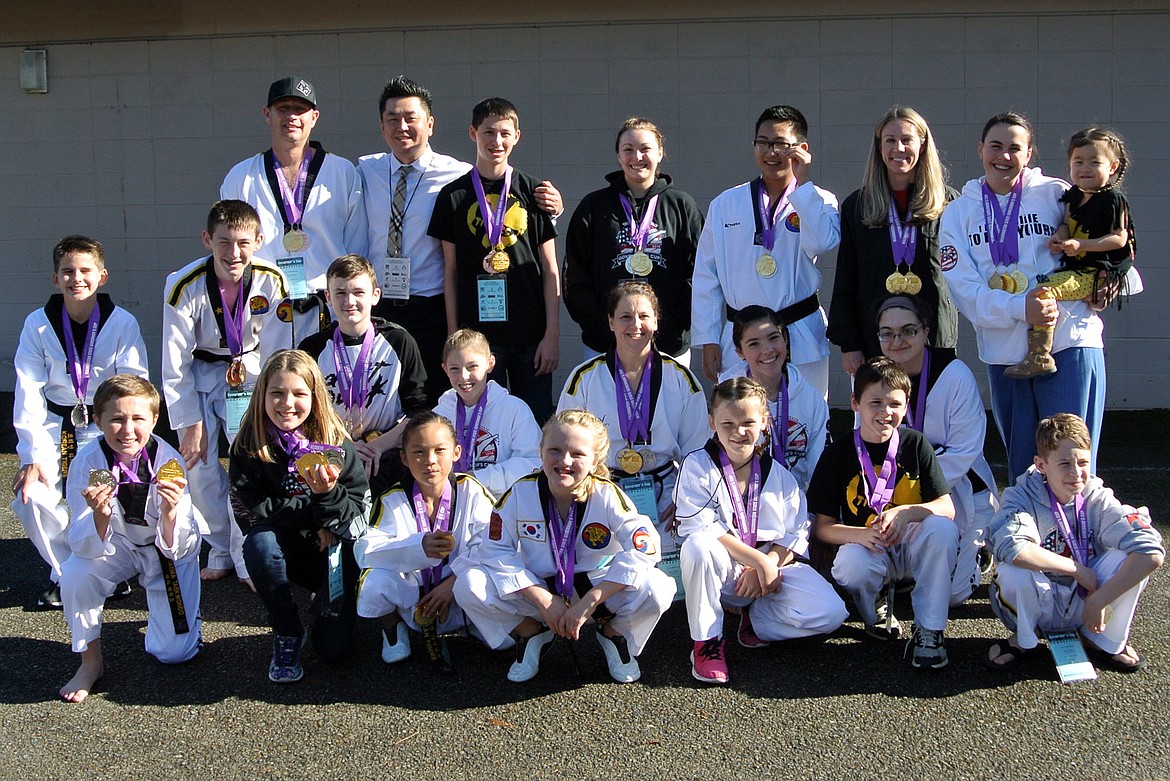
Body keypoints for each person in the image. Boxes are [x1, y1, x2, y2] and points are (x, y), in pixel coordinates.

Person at [359, 76, 563, 405]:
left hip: (450, 311)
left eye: (411, 118)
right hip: (390, 306)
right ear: (382, 126)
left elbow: (547, 259)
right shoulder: (364, 171)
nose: (402, 126)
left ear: (430, 124)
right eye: (393, 119)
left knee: (525, 411)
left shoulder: (457, 175)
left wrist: (555, 209)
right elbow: (452, 266)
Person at [939, 112, 1105, 482]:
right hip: (1005, 352)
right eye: (995, 146)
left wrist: (1109, 282)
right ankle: (1025, 538)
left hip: (1067, 341)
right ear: (981, 149)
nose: (1004, 156)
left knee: (1072, 463)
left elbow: (1108, 234)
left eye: (1015, 148)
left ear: (1029, 153)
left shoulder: (1058, 193)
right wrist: (1020, 307)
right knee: (1023, 465)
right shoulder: (959, 213)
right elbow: (964, 291)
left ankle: (1075, 538)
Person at [453, 409, 676, 683]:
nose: (564, 461)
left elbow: (645, 548)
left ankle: (614, 634)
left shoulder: (608, 495)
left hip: (597, 595)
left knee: (659, 587)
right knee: (468, 584)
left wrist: (592, 600)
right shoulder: (520, 492)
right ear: (541, 451)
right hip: (539, 592)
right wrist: (542, 599)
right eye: (555, 450)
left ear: (595, 461)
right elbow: (494, 550)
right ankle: (530, 632)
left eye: (578, 454)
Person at [676, 378, 847, 684]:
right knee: (698, 546)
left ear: (765, 421)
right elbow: (701, 527)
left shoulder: (780, 476)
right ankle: (706, 644)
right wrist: (759, 561)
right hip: (726, 571)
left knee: (831, 612)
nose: (738, 432)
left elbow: (795, 534)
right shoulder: (697, 466)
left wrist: (768, 564)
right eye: (727, 423)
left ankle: (756, 619)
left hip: (768, 573)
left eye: (748, 422)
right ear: (712, 422)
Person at [12, 235, 148, 608]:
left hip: (106, 426)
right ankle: (66, 571)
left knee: (97, 497)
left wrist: (125, 438)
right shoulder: (36, 325)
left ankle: (108, 571)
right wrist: (32, 456)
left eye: (85, 271)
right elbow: (27, 390)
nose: (77, 279)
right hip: (55, 423)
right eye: (68, 271)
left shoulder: (122, 323)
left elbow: (135, 384)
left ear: (102, 276)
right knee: (30, 497)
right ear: (55, 279)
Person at [163, 200, 290, 586]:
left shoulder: (271, 279)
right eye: (223, 242)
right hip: (201, 373)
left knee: (247, 465)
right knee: (198, 467)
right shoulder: (182, 284)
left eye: (242, 243)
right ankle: (218, 546)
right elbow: (174, 360)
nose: (233, 253)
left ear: (259, 240)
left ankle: (243, 552)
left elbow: (278, 348)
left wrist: (275, 402)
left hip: (250, 376)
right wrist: (189, 422)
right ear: (207, 240)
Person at [229, 350, 371, 683]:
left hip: (335, 554)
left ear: (314, 396)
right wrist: (318, 515)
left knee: (333, 652)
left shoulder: (336, 443)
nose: (287, 403)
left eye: (298, 393)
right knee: (259, 544)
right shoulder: (248, 446)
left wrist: (328, 500)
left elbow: (359, 516)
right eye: (277, 393)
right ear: (262, 394)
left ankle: (328, 601)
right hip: (288, 547)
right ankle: (288, 630)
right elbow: (251, 512)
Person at [59, 375, 202, 703]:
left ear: (154, 419)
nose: (127, 430)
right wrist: (100, 515)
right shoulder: (88, 462)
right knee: (75, 574)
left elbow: (186, 544)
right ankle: (90, 662)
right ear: (97, 420)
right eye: (116, 419)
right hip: (116, 544)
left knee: (174, 652)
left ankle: (163, 620)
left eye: (138, 418)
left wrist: (169, 513)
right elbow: (79, 542)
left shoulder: (168, 461)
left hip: (164, 550)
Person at [808, 358, 957, 669]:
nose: (885, 412)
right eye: (875, 402)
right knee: (850, 564)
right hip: (869, 545)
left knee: (943, 530)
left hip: (909, 542)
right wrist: (862, 535)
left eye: (894, 403)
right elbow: (822, 527)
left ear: (906, 405)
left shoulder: (915, 443)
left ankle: (929, 629)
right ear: (855, 403)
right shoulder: (838, 453)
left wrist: (905, 512)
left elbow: (947, 508)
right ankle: (872, 606)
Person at [985, 413, 1163, 673]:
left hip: (1087, 601)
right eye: (1065, 463)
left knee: (1128, 557)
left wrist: (1099, 600)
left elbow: (1152, 552)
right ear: (1041, 464)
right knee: (1012, 572)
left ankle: (1102, 639)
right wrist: (1077, 569)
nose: (1076, 473)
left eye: (1083, 462)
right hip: (1043, 597)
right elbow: (1015, 549)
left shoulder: (1097, 497)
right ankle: (1024, 639)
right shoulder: (1021, 495)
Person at [692, 104, 839, 398]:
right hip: (741, 335)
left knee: (806, 420)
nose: (770, 153)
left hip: (799, 330)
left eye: (781, 144)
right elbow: (707, 274)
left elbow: (823, 243)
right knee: (740, 423)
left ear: (801, 149)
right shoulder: (726, 204)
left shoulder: (819, 199)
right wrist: (708, 338)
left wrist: (803, 186)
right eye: (763, 143)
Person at [428, 97, 560, 421]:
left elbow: (550, 268)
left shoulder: (535, 191)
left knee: (537, 420)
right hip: (478, 340)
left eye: (504, 133)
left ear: (517, 136)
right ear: (473, 134)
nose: (496, 142)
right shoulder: (453, 196)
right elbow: (450, 271)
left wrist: (552, 335)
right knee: (485, 424)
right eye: (488, 132)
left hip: (531, 335)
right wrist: (453, 335)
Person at [557, 281, 708, 555]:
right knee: (604, 567)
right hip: (604, 491)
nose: (635, 324)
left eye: (644, 316)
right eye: (625, 316)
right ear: (610, 322)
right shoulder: (584, 378)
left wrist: (686, 499)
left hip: (665, 495)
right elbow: (564, 443)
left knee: (678, 561)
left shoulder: (681, 378)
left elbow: (697, 450)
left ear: (656, 322)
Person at [221, 76, 366, 341]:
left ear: (314, 116)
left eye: (300, 109)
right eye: (283, 108)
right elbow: (230, 252)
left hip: (327, 308)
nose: (292, 116)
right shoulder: (241, 177)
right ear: (267, 114)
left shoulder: (342, 173)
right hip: (265, 308)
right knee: (271, 382)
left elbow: (357, 250)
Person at [875, 294, 998, 604]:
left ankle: (978, 546)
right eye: (887, 333)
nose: (897, 340)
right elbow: (866, 445)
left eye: (908, 330)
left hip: (960, 492)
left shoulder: (955, 375)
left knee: (953, 594)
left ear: (926, 332)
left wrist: (909, 487)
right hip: (895, 492)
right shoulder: (872, 379)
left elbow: (963, 451)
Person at [354, 412, 494, 669]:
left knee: (500, 633)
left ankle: (475, 623)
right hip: (412, 598)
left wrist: (453, 583)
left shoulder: (472, 491)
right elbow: (366, 551)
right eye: (418, 452)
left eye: (440, 450)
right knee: (372, 581)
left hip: (458, 595)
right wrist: (417, 548)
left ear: (456, 452)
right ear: (404, 458)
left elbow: (491, 546)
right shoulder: (392, 499)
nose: (430, 461)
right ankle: (393, 628)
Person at [828, 106, 958, 373]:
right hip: (875, 339)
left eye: (907, 139)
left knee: (931, 409)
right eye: (890, 140)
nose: (899, 148)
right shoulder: (858, 206)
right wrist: (850, 345)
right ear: (879, 147)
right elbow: (846, 278)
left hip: (934, 338)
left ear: (922, 144)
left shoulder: (949, 203)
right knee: (882, 412)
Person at [563, 117, 703, 363]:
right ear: (618, 156)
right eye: (628, 150)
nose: (637, 157)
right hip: (604, 344)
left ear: (660, 153)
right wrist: (605, 327)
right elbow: (575, 277)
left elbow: (698, 274)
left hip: (669, 344)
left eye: (645, 149)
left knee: (668, 403)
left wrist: (669, 324)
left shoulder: (683, 206)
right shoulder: (593, 207)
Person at [1007, 127, 1136, 378]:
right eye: (1078, 162)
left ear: (1112, 167)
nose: (1085, 168)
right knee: (1039, 285)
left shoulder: (1113, 199)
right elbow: (1066, 224)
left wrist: (1081, 245)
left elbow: (1119, 238)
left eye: (1094, 162)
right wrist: (1060, 238)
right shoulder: (1073, 195)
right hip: (1076, 267)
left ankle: (1040, 355)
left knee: (1043, 290)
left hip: (1095, 272)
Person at [297, 254, 429, 498]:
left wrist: (377, 446)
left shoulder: (399, 341)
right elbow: (301, 413)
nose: (350, 301)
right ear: (328, 297)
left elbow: (418, 411)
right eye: (340, 293)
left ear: (375, 295)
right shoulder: (312, 348)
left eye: (359, 292)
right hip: (330, 450)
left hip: (385, 451)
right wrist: (343, 448)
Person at [723, 305, 828, 490]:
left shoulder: (811, 399)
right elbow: (716, 459)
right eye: (754, 343)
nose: (767, 350)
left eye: (773, 338)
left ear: (785, 339)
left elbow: (819, 466)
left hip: (797, 501)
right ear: (739, 351)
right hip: (741, 502)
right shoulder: (726, 397)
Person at [433, 329, 541, 499]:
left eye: (472, 366)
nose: (464, 376)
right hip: (451, 504)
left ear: (490, 363)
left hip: (503, 507)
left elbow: (533, 463)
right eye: (454, 368)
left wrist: (477, 478)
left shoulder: (514, 409)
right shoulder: (438, 415)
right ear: (445, 369)